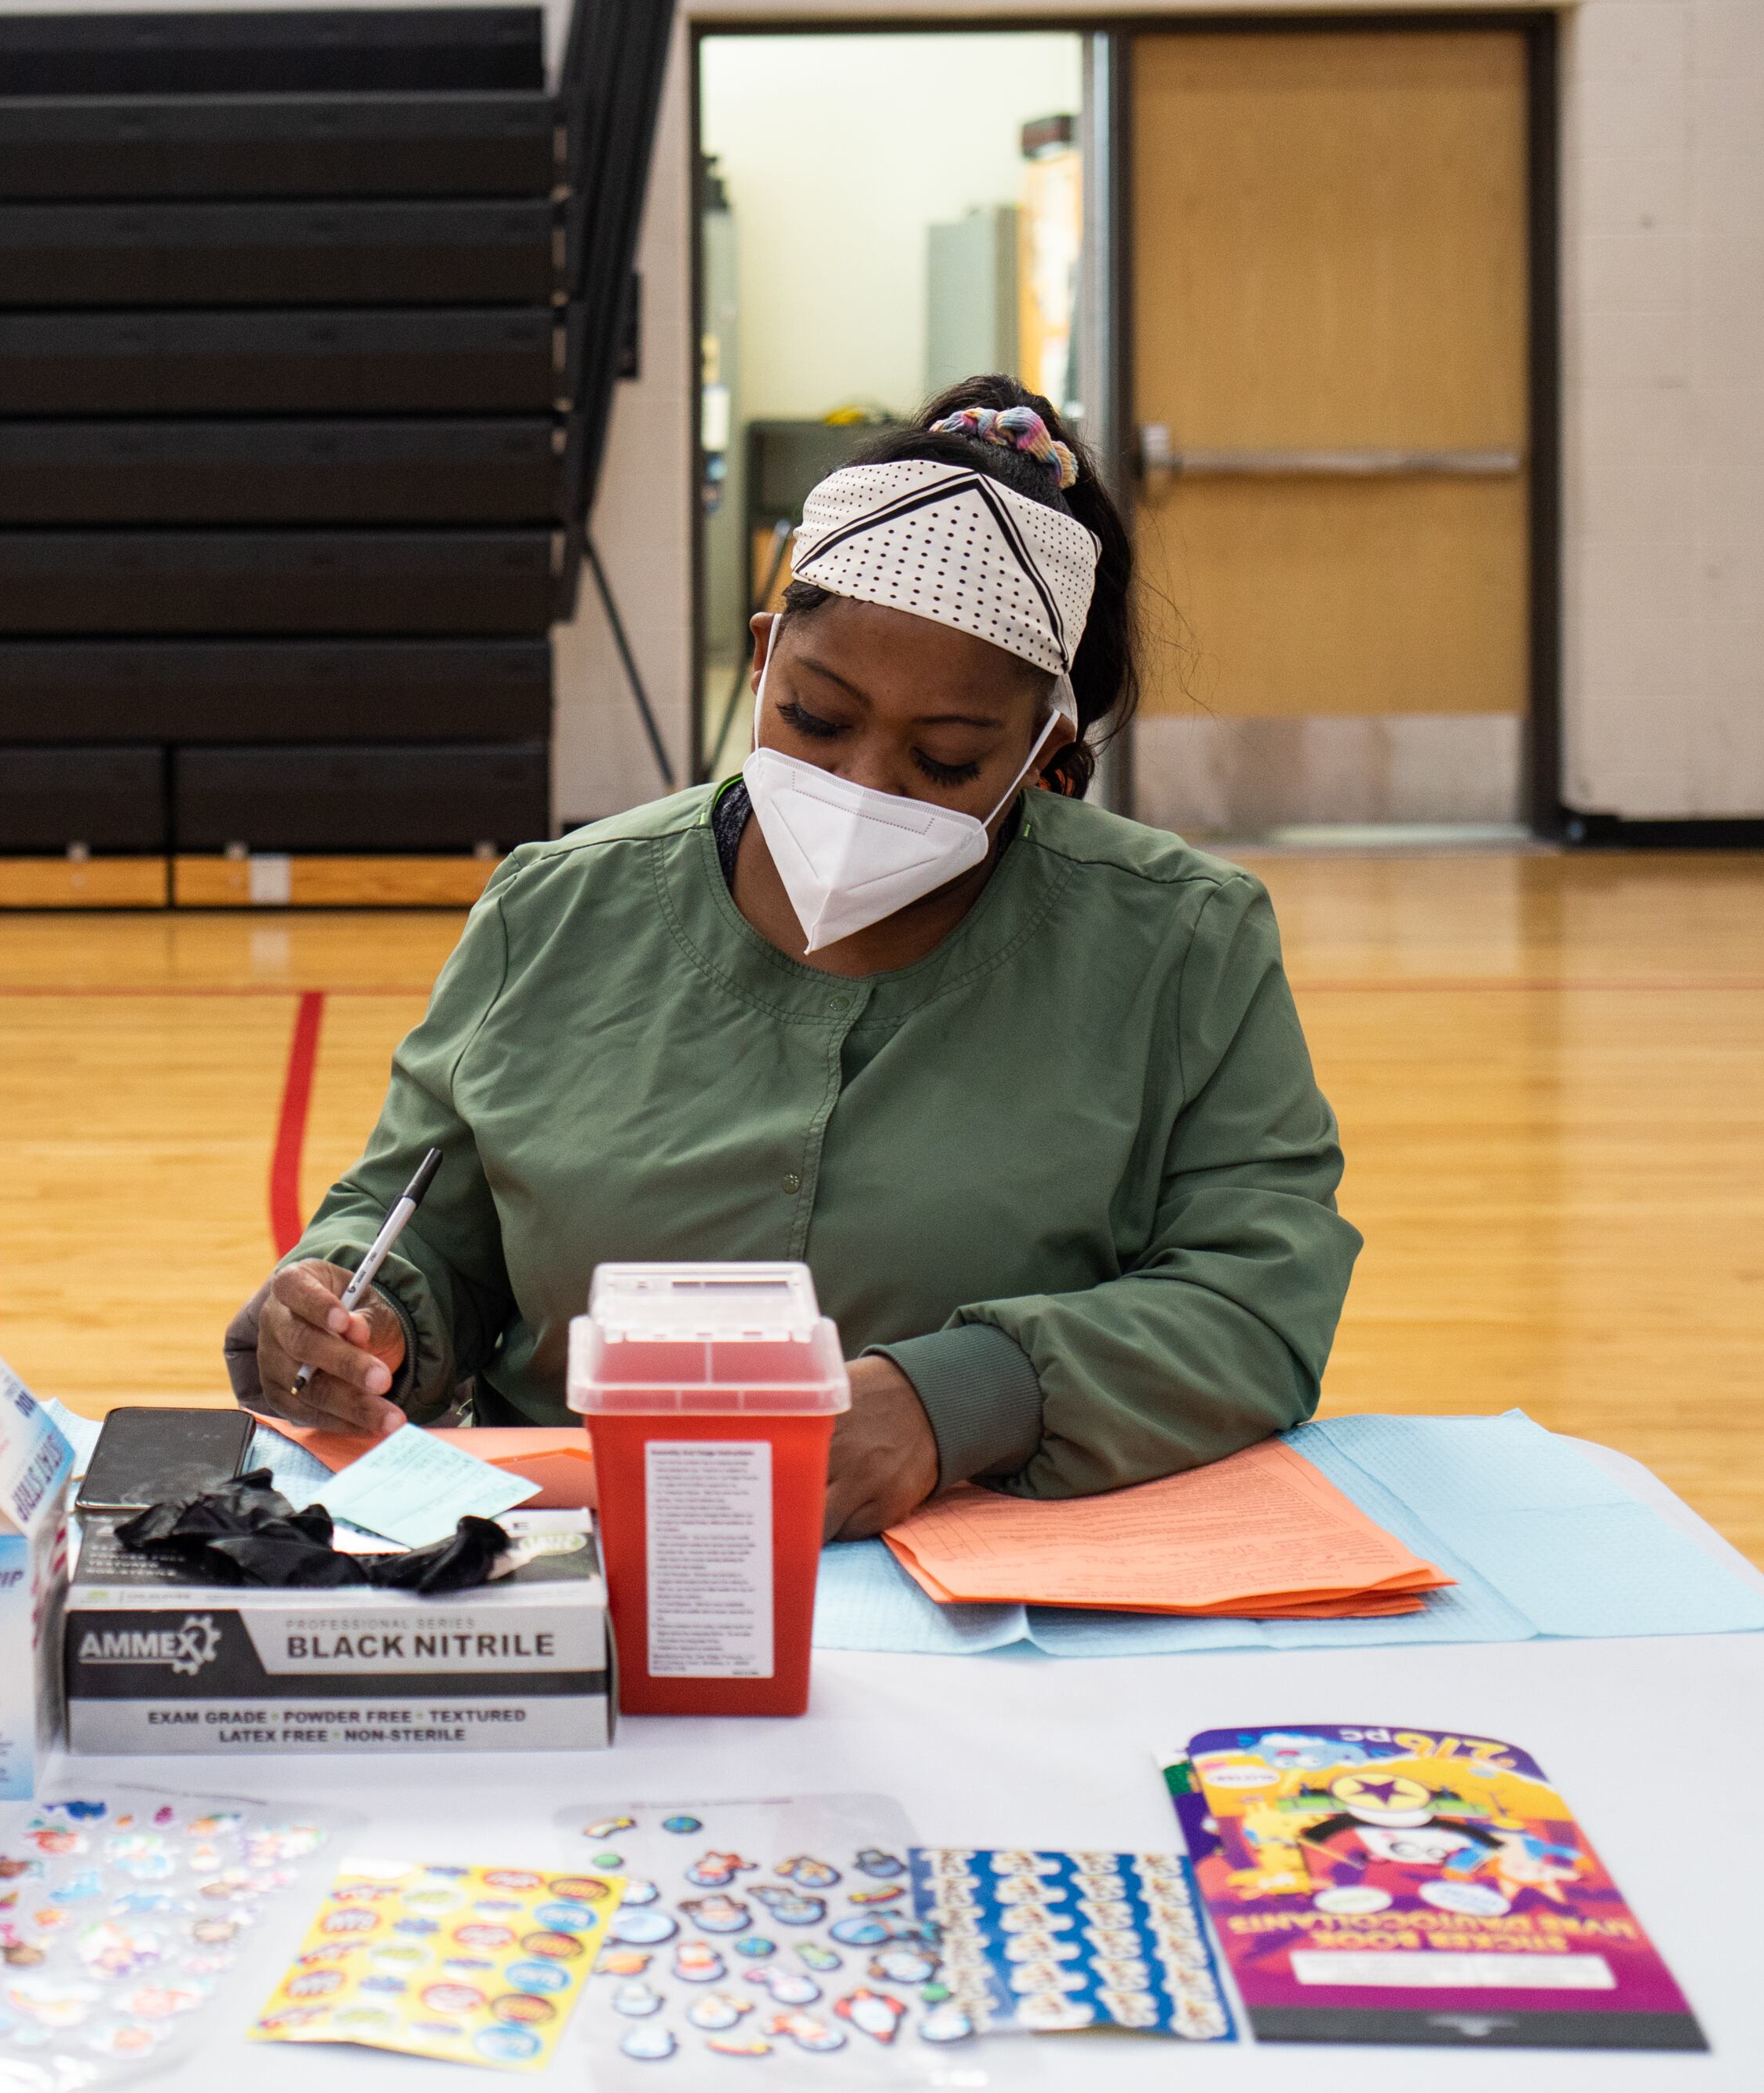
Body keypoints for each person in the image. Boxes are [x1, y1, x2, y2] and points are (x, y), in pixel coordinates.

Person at [228, 375, 1359, 1541]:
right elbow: (418, 1225)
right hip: (580, 1559)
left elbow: (1262, 1293)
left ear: (1044, 752)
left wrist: (962, 1397)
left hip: (1001, 1576)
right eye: (818, 719)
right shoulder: (560, 909)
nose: (862, 786)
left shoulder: (1178, 944)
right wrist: (353, 1316)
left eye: (948, 758)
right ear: (766, 658)